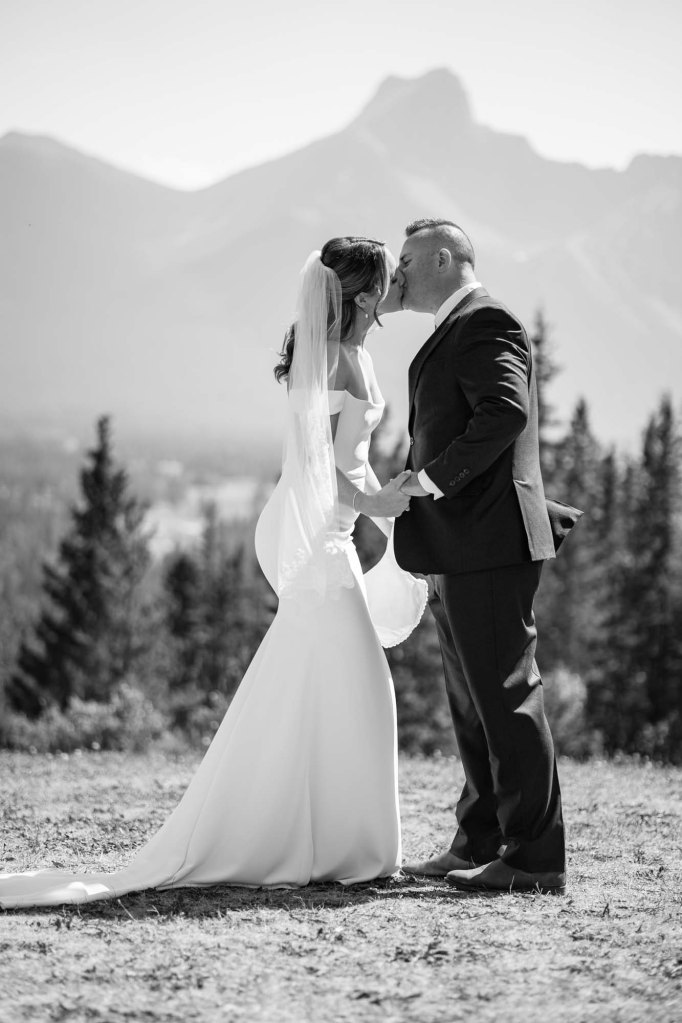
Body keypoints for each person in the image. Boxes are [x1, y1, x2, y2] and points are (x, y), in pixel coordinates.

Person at [0, 237, 427, 909]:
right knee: (358, 685)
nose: (388, 297)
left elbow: (352, 464)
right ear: (365, 295)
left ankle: (342, 843)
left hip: (337, 542)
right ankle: (335, 845)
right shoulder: (329, 367)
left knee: (329, 687)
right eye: (382, 287)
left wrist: (390, 504)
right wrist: (376, 502)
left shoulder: (351, 359)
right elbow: (322, 479)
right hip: (325, 553)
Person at [383, 218, 568, 894]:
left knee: (508, 696)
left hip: (491, 541)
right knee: (473, 704)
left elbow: (506, 412)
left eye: (405, 260)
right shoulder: (455, 327)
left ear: (442, 257)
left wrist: (428, 481)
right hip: (462, 543)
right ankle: (479, 839)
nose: (398, 273)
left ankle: (535, 858)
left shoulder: (489, 322)